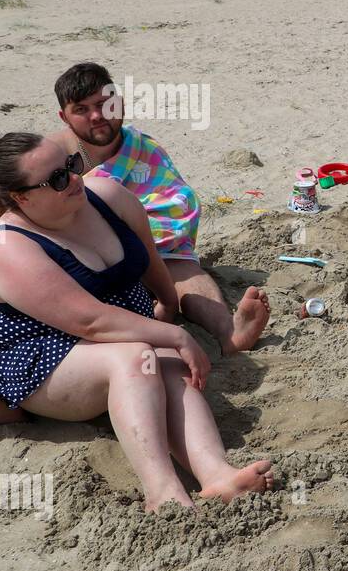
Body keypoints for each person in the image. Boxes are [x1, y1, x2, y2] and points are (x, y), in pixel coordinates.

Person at [0, 133, 274, 512]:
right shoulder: (7, 247)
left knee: (163, 362)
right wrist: (174, 333)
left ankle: (216, 475)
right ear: (21, 197)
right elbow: (88, 321)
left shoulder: (108, 197)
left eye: (71, 165)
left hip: (115, 329)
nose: (74, 179)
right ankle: (161, 491)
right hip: (37, 356)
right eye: (56, 179)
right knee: (136, 356)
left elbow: (152, 263)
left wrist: (168, 309)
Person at [52, 63, 270, 356]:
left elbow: (171, 203)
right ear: (64, 117)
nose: (96, 116)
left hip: (159, 248)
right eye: (81, 109)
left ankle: (228, 331)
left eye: (104, 104)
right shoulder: (53, 159)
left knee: (181, 268)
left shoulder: (140, 146)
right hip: (94, 259)